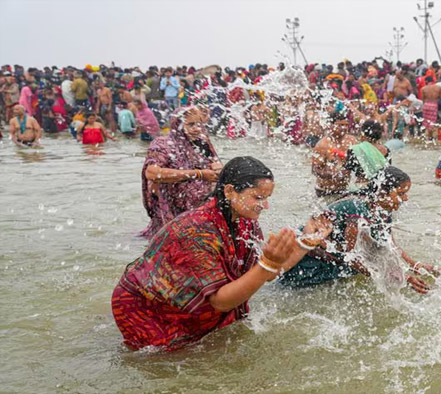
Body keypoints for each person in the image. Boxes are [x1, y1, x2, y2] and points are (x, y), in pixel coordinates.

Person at [112, 156, 332, 351]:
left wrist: (305, 244)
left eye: (267, 198)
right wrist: (267, 262)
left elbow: (265, 273)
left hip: (193, 305)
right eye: (258, 197)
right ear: (228, 191)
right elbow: (220, 302)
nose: (265, 206)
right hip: (149, 312)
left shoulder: (244, 221)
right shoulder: (195, 231)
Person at [279, 166, 440, 293]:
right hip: (307, 266)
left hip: (333, 264)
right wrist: (400, 278)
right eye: (401, 193)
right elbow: (352, 258)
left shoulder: (384, 209)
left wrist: (415, 265)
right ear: (382, 192)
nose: (406, 198)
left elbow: (389, 245)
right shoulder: (357, 209)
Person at [141, 106, 222, 238]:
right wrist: (199, 174)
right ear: (177, 125)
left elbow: (216, 163)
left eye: (199, 124)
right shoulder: (163, 144)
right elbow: (152, 173)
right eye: (191, 124)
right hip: (170, 211)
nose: (197, 128)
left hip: (198, 210)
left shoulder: (202, 142)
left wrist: (218, 170)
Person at [312, 111, 357, 198]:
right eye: (340, 125)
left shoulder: (352, 141)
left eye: (345, 125)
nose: (344, 128)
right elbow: (314, 169)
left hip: (345, 189)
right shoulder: (323, 145)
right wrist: (331, 175)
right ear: (330, 125)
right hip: (325, 191)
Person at [344, 120, 390, 184]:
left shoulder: (355, 149)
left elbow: (347, 174)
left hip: (362, 187)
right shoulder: (386, 150)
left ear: (363, 133)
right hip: (380, 186)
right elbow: (388, 171)